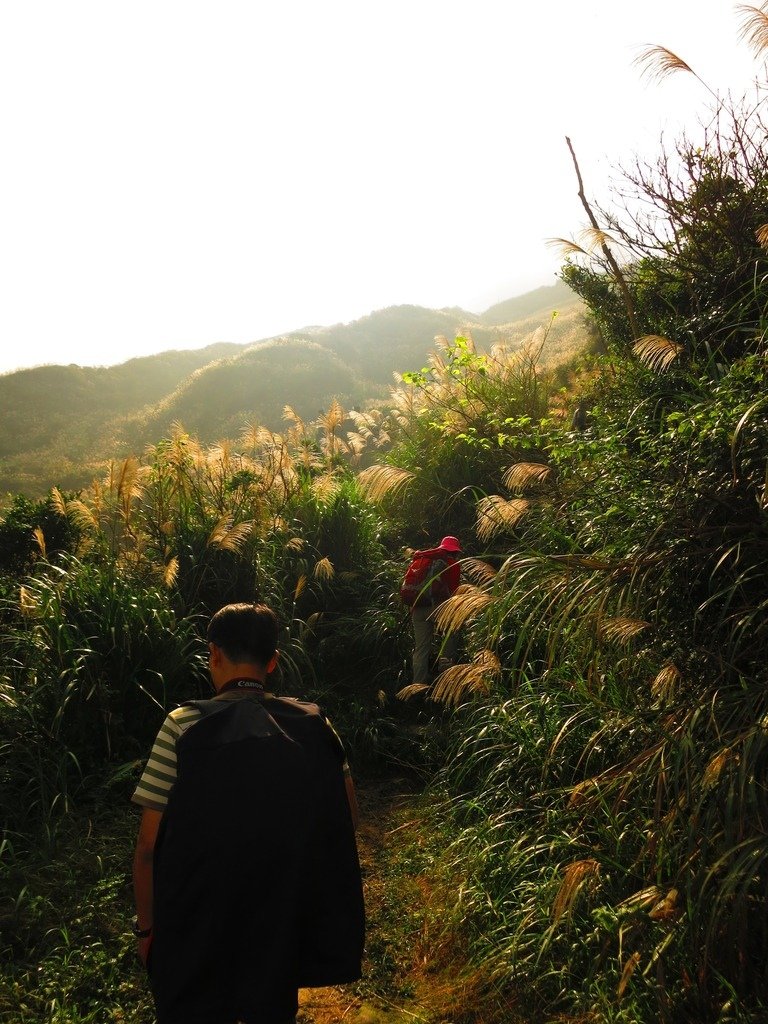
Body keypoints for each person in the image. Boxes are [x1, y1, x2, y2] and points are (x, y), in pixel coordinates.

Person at [132, 602, 365, 1024]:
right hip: (279, 916)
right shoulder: (315, 724)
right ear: (273, 661)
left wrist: (147, 929)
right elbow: (346, 818)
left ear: (214, 654)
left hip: (196, 919)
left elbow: (149, 846)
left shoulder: (182, 725)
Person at [407, 535, 462, 684]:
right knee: (451, 636)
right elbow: (453, 592)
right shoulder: (453, 564)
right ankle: (445, 680)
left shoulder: (422, 559)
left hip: (417, 608)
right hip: (439, 608)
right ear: (455, 552)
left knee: (421, 649)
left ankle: (418, 685)